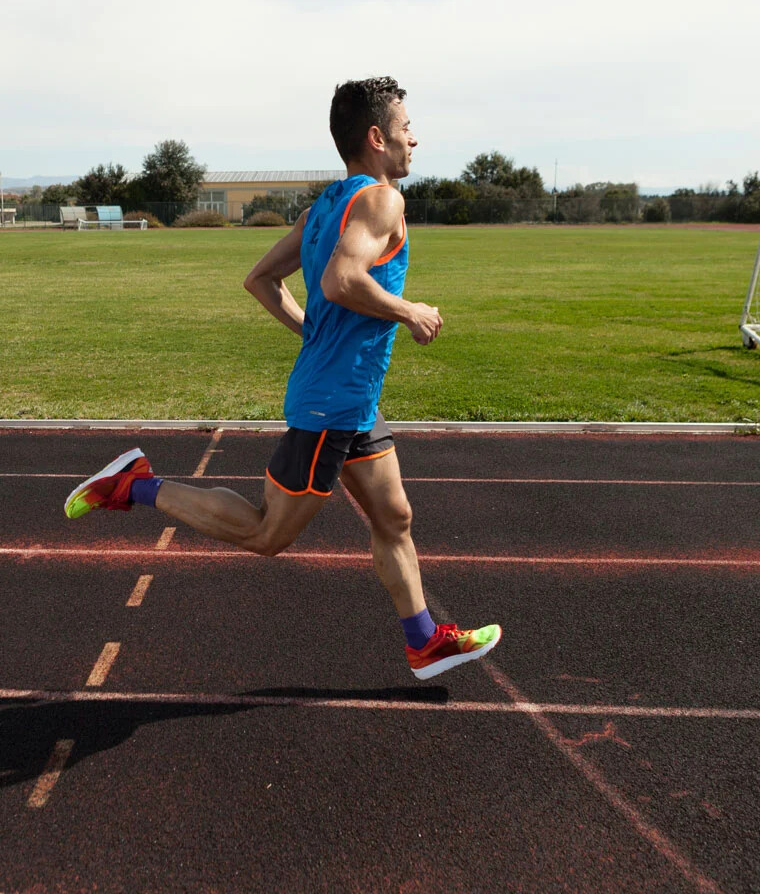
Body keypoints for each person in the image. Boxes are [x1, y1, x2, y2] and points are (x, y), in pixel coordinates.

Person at [65, 76, 500, 679]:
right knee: (267, 533)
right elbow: (341, 281)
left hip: (354, 398)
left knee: (394, 516)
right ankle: (134, 485)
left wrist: (313, 334)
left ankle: (425, 642)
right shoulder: (382, 201)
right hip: (332, 405)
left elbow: (260, 280)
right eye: (406, 129)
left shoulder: (324, 208)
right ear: (377, 138)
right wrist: (410, 311)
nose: (414, 140)